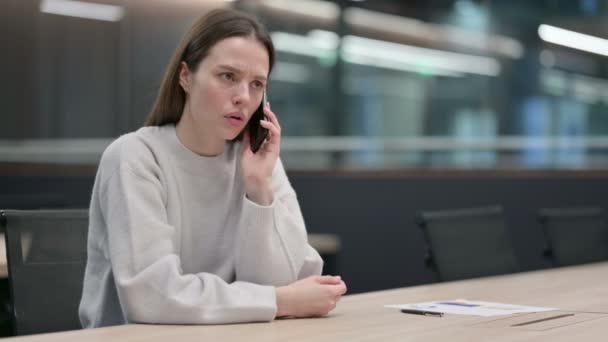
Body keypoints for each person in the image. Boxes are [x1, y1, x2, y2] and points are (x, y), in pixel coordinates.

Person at [78, 8, 347, 327]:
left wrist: (259, 190)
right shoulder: (135, 157)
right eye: (228, 76)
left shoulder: (257, 163)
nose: (243, 97)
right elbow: (151, 297)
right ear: (186, 76)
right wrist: (279, 300)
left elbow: (291, 277)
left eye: (257, 84)